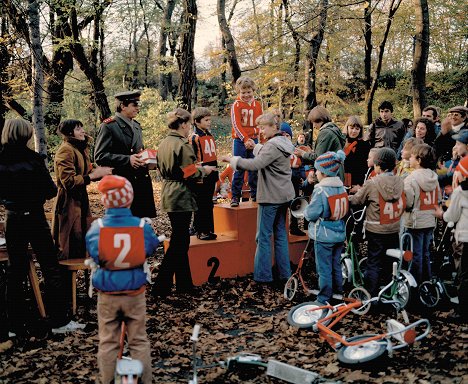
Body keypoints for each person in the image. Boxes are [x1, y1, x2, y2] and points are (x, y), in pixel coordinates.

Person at [0, 119, 85, 339]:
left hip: (13, 219)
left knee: (15, 271)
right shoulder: (34, 160)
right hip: (35, 217)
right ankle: (59, 320)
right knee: (49, 266)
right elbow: (49, 190)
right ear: (27, 135)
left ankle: (14, 325)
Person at [85, 175, 161, 384]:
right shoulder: (141, 226)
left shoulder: (97, 228)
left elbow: (94, 252)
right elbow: (151, 246)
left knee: (108, 341)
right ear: (130, 199)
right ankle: (146, 380)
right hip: (134, 293)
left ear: (104, 201)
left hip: (107, 294)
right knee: (138, 340)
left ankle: (107, 379)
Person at [221, 112, 295, 286]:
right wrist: (254, 146)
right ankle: (284, 273)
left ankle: (263, 277)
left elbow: (255, 164)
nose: (261, 131)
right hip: (284, 196)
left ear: (274, 127)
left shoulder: (271, 146)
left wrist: (233, 160)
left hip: (270, 197)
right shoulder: (285, 142)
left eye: (263, 127)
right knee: (280, 235)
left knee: (262, 237)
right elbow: (267, 153)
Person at [153, 108, 216, 297]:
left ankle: (184, 284)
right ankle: (161, 285)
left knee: (181, 239)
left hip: (169, 192)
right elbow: (188, 172)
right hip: (180, 193)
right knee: (180, 242)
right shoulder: (182, 144)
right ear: (183, 124)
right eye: (188, 124)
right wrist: (204, 171)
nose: (190, 128)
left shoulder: (164, 142)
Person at [52, 119, 112, 260]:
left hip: (81, 200)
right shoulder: (66, 149)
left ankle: (77, 278)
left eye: (82, 127)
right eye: (78, 129)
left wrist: (99, 173)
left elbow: (85, 174)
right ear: (70, 133)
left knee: (81, 243)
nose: (83, 131)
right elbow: (68, 181)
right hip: (68, 203)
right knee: (67, 245)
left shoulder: (80, 148)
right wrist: (92, 176)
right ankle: (65, 281)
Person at [349, 148, 404, 296]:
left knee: (373, 261)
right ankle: (387, 289)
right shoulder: (400, 181)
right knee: (389, 261)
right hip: (394, 228)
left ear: (378, 166)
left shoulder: (372, 183)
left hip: (376, 229)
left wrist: (347, 198)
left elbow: (357, 201)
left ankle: (370, 294)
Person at [94, 90, 156, 218]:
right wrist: (127, 159)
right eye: (134, 105)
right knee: (125, 226)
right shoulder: (109, 126)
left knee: (142, 225)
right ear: (123, 106)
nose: (138, 108)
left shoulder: (137, 126)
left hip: (141, 183)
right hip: (121, 185)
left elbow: (138, 151)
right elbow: (99, 156)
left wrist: (148, 160)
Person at [304, 151, 348, 304]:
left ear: (323, 172)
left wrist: (305, 213)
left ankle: (324, 297)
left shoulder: (321, 190)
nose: (315, 172)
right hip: (339, 232)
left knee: (323, 267)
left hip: (324, 234)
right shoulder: (342, 188)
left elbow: (312, 213)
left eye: (316, 170)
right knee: (336, 265)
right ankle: (337, 292)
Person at [434, 154, 468, 323]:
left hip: (464, 237)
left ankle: (462, 311)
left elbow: (451, 217)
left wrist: (441, 214)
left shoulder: (461, 193)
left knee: (463, 275)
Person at [403, 144, 439, 284]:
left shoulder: (410, 179)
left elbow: (408, 203)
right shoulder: (434, 178)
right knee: (425, 253)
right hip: (429, 220)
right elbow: (438, 199)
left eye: (411, 156)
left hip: (415, 222)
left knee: (414, 254)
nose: (409, 159)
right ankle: (427, 281)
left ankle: (414, 284)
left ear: (418, 160)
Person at [229, 76, 263, 207]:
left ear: (253, 91)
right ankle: (235, 196)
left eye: (249, 92)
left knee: (254, 168)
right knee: (239, 168)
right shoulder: (236, 105)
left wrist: (260, 140)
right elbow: (236, 125)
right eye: (243, 92)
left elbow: (260, 123)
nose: (246, 95)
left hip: (253, 140)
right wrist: (245, 139)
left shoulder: (257, 105)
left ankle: (255, 194)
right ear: (239, 92)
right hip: (240, 140)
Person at [189, 107, 218, 240]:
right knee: (201, 203)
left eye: (209, 120)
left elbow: (213, 157)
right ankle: (201, 230)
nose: (209, 122)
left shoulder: (209, 135)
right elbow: (193, 158)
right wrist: (198, 174)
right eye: (206, 120)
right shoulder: (194, 138)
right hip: (201, 176)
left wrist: (216, 175)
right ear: (196, 121)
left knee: (208, 203)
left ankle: (208, 229)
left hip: (211, 175)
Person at [294, 106, 346, 181]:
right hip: (335, 174)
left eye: (314, 122)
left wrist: (303, 153)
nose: (314, 126)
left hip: (329, 176)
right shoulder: (332, 130)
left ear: (319, 120)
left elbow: (318, 158)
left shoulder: (325, 132)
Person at [342, 116, 371, 192]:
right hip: (342, 181)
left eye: (357, 129)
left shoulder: (365, 145)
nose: (354, 131)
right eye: (351, 128)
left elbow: (365, 167)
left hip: (357, 184)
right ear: (347, 128)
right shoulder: (341, 143)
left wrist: (360, 185)